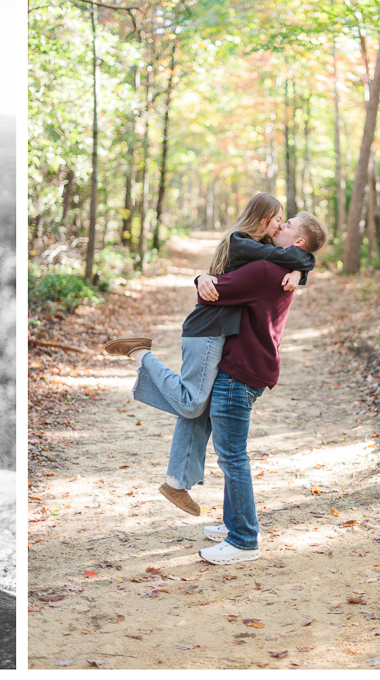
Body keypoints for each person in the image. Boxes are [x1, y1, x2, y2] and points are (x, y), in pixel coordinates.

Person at [108, 211, 327, 565]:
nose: (280, 226)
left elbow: (214, 291)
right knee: (212, 433)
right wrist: (300, 269)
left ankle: (243, 540)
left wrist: (202, 279)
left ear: (298, 242)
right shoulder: (280, 268)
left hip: (239, 372)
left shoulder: (265, 270)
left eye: (288, 226)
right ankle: (232, 525)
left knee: (232, 456)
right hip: (247, 369)